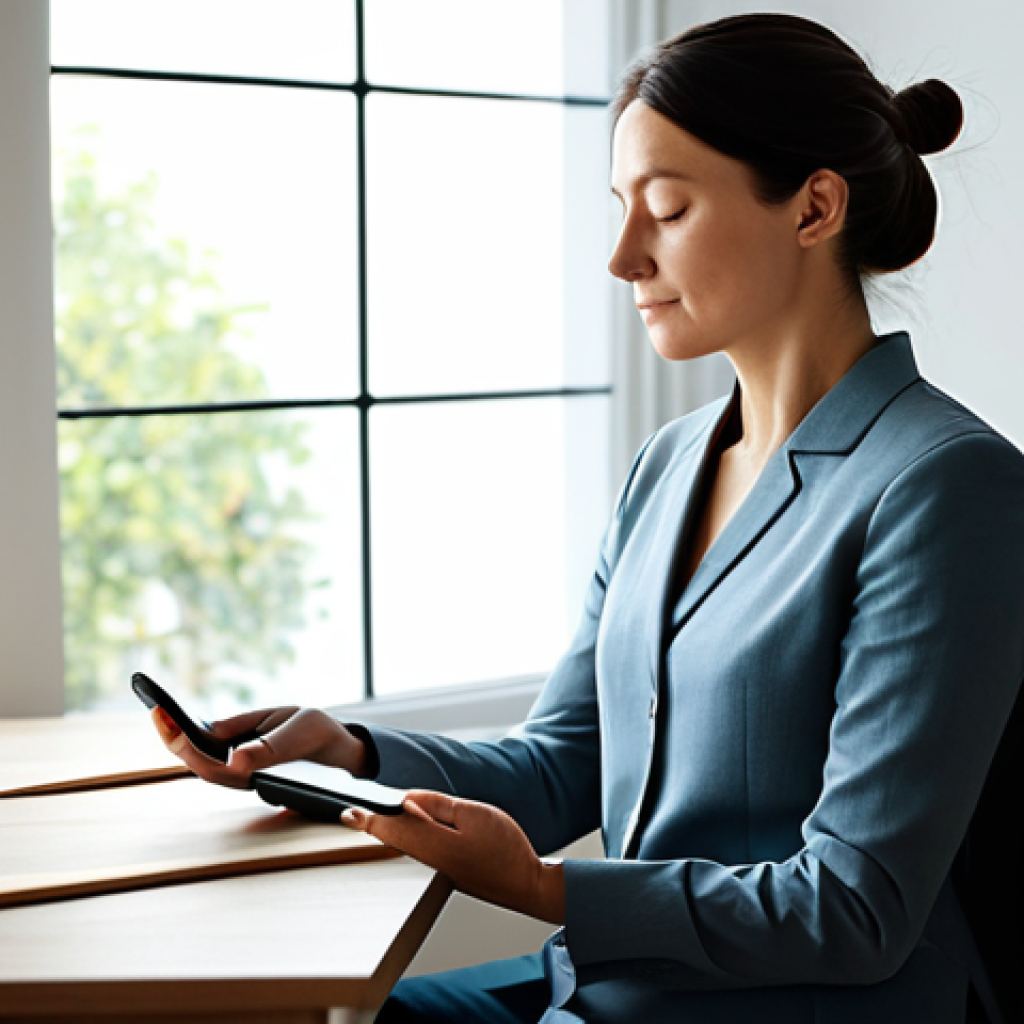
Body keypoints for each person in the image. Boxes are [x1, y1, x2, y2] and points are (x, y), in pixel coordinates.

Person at [152, 13, 1024, 1024]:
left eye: (665, 208)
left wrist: (537, 889)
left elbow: (853, 907)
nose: (622, 257)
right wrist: (353, 752)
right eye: (620, 208)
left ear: (813, 207)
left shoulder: (945, 487)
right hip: (614, 986)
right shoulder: (670, 466)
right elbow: (563, 758)